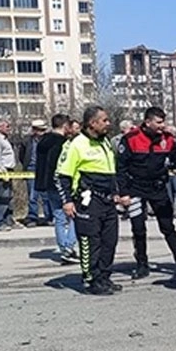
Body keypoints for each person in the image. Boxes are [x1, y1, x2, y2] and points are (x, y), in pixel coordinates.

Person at [56, 106, 129, 296]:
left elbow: (111, 171)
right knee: (91, 241)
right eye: (104, 120)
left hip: (107, 201)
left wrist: (116, 193)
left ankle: (104, 276)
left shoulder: (104, 142)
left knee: (109, 242)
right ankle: (91, 279)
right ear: (92, 123)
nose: (108, 123)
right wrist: (67, 201)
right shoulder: (76, 144)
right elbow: (62, 175)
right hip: (88, 200)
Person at [118, 107, 176, 281]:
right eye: (158, 122)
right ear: (148, 122)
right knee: (138, 228)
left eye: (163, 122)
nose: (162, 126)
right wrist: (124, 193)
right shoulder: (131, 139)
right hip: (136, 187)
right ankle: (142, 264)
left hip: (158, 188)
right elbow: (120, 168)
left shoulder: (168, 139)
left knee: (167, 226)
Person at [36, 113, 79, 264]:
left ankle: (64, 248)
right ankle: (68, 247)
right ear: (65, 126)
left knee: (59, 218)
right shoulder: (62, 143)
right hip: (60, 183)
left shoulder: (43, 141)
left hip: (47, 184)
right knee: (74, 216)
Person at [22, 120, 53, 227]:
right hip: (31, 168)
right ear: (34, 130)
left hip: (44, 169)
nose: (42, 132)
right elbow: (22, 155)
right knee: (32, 195)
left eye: (43, 129)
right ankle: (32, 217)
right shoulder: (27, 141)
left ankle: (49, 216)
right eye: (39, 129)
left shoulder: (48, 140)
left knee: (46, 195)